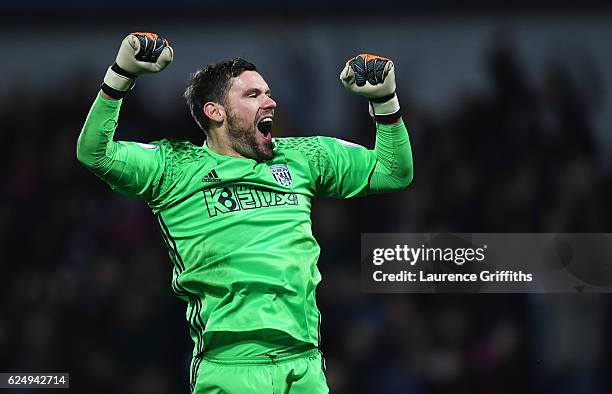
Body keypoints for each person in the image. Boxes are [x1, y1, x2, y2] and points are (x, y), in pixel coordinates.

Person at [77, 32, 413, 393]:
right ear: (215, 112)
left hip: (305, 368)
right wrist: (119, 76)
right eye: (253, 95)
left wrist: (385, 100)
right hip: (229, 369)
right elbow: (95, 153)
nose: (270, 102)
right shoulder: (174, 167)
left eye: (267, 93)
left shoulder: (302, 156)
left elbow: (393, 172)